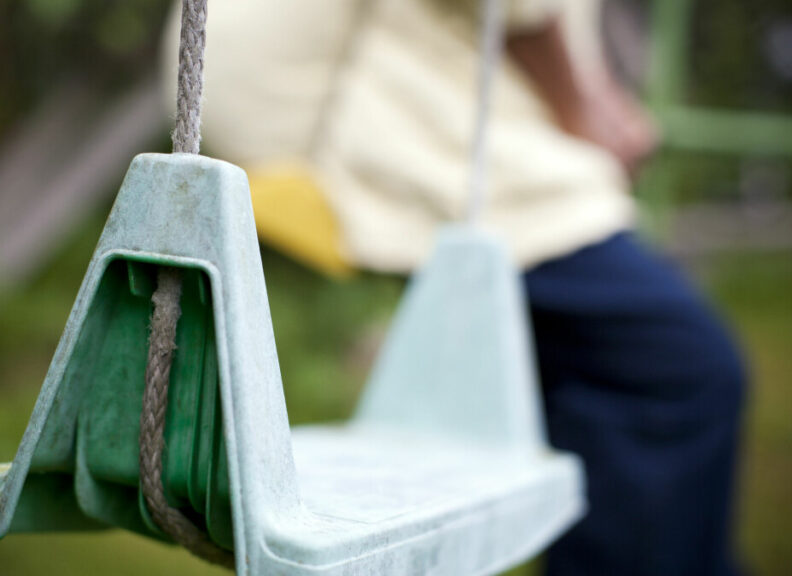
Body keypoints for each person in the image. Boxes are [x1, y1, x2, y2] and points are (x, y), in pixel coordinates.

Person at [163, 1, 747, 574]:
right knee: (681, 370)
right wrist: (589, 109)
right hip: (449, 151)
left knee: (583, 393)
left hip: (414, 138)